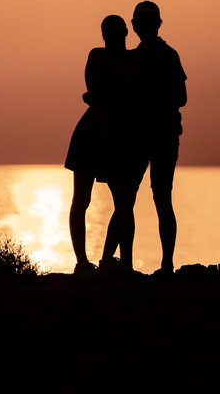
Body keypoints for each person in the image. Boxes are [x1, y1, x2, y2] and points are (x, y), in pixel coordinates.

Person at [64, 15, 136, 275]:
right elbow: (94, 97)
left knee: (124, 201)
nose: (114, 36)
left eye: (118, 31)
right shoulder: (96, 56)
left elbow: (133, 103)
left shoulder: (133, 60)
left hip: (120, 136)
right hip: (91, 134)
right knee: (81, 199)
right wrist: (106, 135)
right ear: (103, 35)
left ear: (126, 32)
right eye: (108, 32)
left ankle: (109, 259)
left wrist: (121, 134)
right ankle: (82, 262)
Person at [130, 0, 187, 275]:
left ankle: (167, 264)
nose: (145, 26)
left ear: (158, 24)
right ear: (134, 25)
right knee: (126, 197)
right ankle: (124, 264)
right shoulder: (131, 57)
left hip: (163, 137)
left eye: (150, 21)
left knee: (161, 198)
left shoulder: (169, 55)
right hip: (135, 137)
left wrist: (144, 109)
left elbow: (181, 98)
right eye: (141, 21)